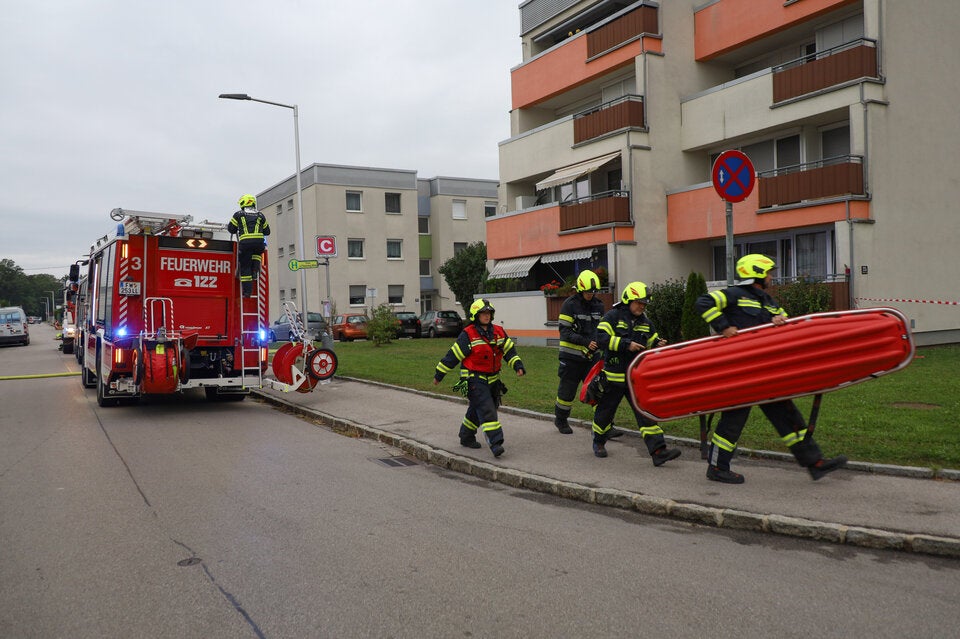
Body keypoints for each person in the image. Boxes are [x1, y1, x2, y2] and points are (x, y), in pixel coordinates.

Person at [695, 254, 848, 484]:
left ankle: (814, 463)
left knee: (789, 417)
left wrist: (780, 321)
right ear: (756, 273)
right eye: (768, 273)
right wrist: (723, 326)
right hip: (741, 372)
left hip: (766, 373)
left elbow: (785, 320)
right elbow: (703, 303)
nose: (771, 277)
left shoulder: (768, 300)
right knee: (732, 423)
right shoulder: (733, 294)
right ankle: (717, 468)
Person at [590, 281, 681, 466]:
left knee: (645, 412)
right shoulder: (612, 317)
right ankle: (598, 442)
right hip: (614, 377)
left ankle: (658, 451)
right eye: (639, 302)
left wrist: (657, 343)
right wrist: (626, 344)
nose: (642, 306)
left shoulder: (646, 322)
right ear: (628, 300)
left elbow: (652, 340)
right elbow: (601, 339)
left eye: (644, 303)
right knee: (605, 413)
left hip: (635, 379)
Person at [433, 298, 525, 458]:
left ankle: (466, 436)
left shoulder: (498, 332)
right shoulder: (468, 334)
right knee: (487, 409)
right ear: (476, 315)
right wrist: (439, 375)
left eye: (489, 313)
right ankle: (495, 443)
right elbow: (453, 356)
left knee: (478, 409)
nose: (487, 315)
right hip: (473, 380)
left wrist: (518, 366)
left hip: (493, 380)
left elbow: (509, 351)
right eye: (483, 313)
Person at [553, 269, 609, 435]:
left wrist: (600, 343)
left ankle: (605, 426)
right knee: (567, 392)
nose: (590, 294)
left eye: (593, 292)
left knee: (597, 390)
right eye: (587, 292)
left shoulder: (599, 306)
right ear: (580, 290)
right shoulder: (569, 305)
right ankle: (561, 420)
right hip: (571, 358)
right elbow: (564, 331)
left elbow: (601, 330)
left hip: (591, 358)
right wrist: (586, 342)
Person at [227, 194, 271, 297]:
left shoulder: (238, 215)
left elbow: (231, 229)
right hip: (259, 244)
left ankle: (247, 292)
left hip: (246, 244)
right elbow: (267, 231)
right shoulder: (260, 215)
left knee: (245, 267)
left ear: (243, 203)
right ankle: (254, 272)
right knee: (256, 254)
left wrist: (240, 227)